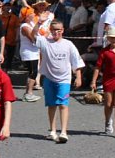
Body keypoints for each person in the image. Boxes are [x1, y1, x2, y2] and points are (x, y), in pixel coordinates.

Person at [32, 16, 84, 144]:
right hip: (49, 79)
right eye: (54, 30)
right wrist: (39, 23)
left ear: (63, 30)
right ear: (50, 30)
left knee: (63, 104)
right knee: (51, 105)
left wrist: (78, 77)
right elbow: (33, 34)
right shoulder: (45, 42)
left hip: (64, 79)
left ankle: (64, 131)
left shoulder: (68, 45)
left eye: (59, 30)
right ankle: (52, 130)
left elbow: (76, 61)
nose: (56, 32)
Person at [19, 9, 42, 103]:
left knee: (34, 71)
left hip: (34, 52)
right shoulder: (24, 26)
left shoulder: (31, 25)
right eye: (31, 14)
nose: (33, 15)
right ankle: (28, 93)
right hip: (28, 52)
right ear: (27, 16)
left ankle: (29, 93)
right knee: (33, 72)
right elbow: (33, 38)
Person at [0, 0, 20, 71]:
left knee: (10, 57)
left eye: (9, 6)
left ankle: (8, 71)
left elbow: (17, 27)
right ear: (3, 7)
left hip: (12, 40)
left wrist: (17, 37)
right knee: (3, 57)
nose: (8, 7)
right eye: (6, 6)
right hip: (2, 41)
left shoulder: (14, 17)